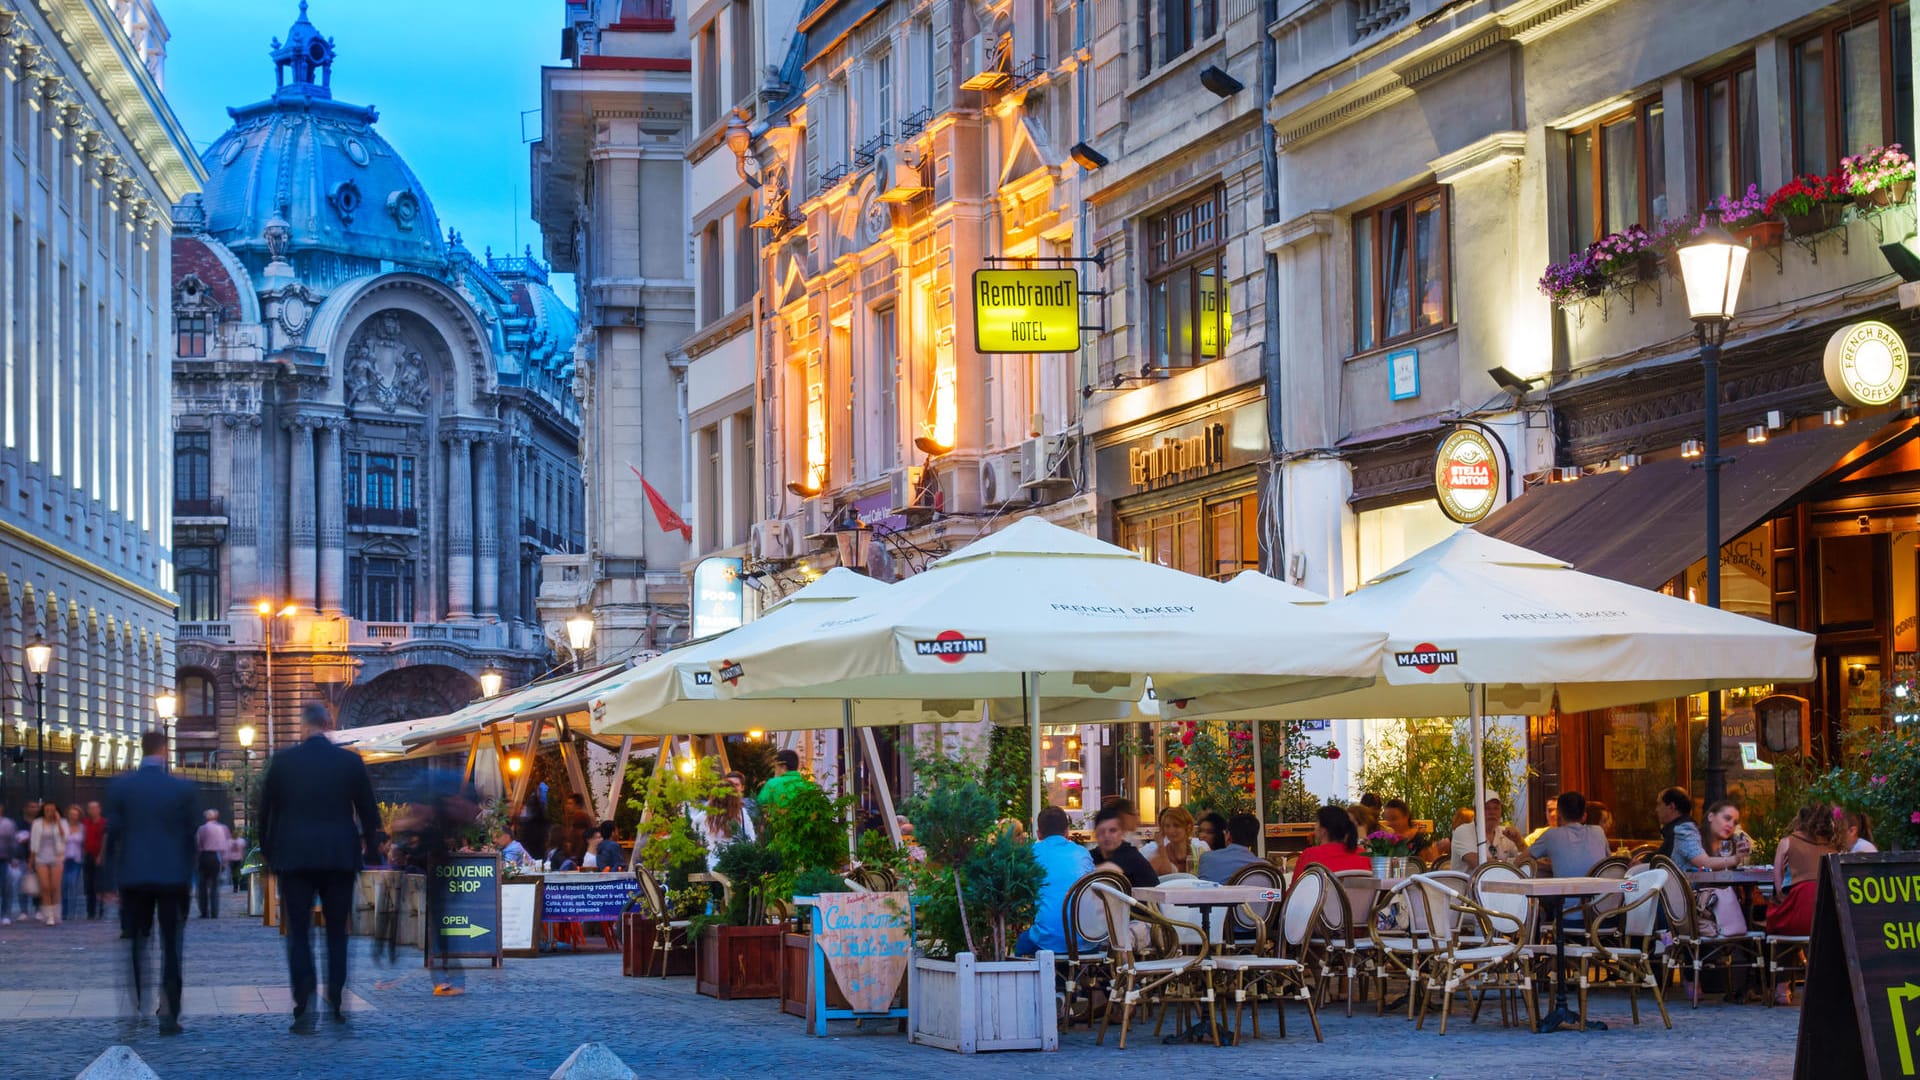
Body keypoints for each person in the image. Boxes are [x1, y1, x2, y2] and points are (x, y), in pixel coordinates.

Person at [259, 703, 381, 1033]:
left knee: (299, 934)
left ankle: (304, 1006)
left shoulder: (283, 762)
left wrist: (270, 855)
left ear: (303, 726)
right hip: (339, 857)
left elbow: (265, 813)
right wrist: (371, 853)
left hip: (294, 858)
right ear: (328, 725)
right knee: (337, 933)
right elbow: (369, 813)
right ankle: (337, 1001)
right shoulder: (350, 761)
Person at [105, 730, 198, 1035]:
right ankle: (169, 1014)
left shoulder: (122, 787)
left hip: (134, 876)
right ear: (165, 749)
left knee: (137, 942)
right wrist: (189, 877)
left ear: (141, 749)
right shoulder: (181, 789)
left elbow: (113, 836)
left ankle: (136, 1007)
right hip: (172, 878)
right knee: (172, 946)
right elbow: (189, 837)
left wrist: (108, 879)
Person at [1768, 804, 1842, 1002]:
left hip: (1798, 916)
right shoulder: (1834, 846)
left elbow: (1778, 887)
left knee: (1780, 923)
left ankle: (1782, 988)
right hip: (1827, 919)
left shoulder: (1787, 842)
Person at [1016, 805, 1094, 957]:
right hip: (1086, 941)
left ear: (1039, 834)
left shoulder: (1031, 854)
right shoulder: (1082, 853)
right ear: (1067, 832)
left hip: (1045, 942)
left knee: (1021, 944)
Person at [1527, 791, 1608, 878]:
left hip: (1565, 890)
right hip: (1598, 890)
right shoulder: (1598, 831)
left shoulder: (1550, 835)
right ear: (1584, 817)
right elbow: (1608, 863)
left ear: (1559, 815)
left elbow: (1522, 860)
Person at [1293, 805, 1372, 884]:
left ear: (1323, 830)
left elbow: (1293, 891)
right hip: (1357, 896)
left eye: (1317, 822)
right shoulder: (1364, 856)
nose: (1314, 826)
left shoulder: (1310, 855)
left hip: (1323, 896)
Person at [688, 779, 756, 870]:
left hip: (710, 865)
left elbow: (693, 837)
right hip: (736, 864)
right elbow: (751, 839)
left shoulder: (704, 815)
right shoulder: (741, 814)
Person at [1452, 796, 1531, 871]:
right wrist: (1511, 865)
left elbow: (1528, 862)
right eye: (1486, 808)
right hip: (1467, 884)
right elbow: (1476, 862)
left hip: (1500, 883)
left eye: (1496, 808)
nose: (1492, 812)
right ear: (1476, 811)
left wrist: (1519, 841)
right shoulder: (1463, 831)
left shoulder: (1506, 833)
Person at [1088, 805, 1158, 888]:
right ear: (1095, 834)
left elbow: (1104, 873)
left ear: (1122, 832)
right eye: (1101, 831)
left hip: (1144, 900)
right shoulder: (1093, 855)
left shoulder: (1129, 855)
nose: (1107, 835)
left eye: (1113, 830)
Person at [1677, 800, 1752, 871]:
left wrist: (1744, 853)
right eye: (1727, 818)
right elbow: (1704, 863)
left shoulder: (1733, 841)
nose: (1731, 825)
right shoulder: (1687, 832)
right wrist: (1736, 859)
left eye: (1735, 823)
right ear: (1711, 817)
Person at [30, 801, 69, 924]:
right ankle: (49, 915)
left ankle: (56, 913)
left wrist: (58, 821)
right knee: (45, 887)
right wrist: (31, 859)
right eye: (47, 810)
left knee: (54, 887)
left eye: (52, 810)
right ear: (43, 811)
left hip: (57, 857)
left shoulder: (62, 822)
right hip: (41, 857)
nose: (49, 812)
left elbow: (65, 837)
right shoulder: (37, 823)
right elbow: (33, 842)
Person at [1140, 806, 1209, 876]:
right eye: (1167, 826)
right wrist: (1161, 848)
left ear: (1188, 827)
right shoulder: (1156, 854)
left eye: (1176, 826)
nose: (1171, 831)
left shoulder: (1201, 852)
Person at [1197, 813, 1263, 884]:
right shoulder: (1265, 868)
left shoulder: (1207, 858)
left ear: (1228, 835)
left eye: (1210, 832)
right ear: (1254, 840)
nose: (1203, 835)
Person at [192, 810, 231, 919]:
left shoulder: (201, 829)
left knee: (202, 886)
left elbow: (198, 846)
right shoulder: (223, 828)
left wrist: (196, 861)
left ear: (206, 817)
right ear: (217, 817)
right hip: (216, 858)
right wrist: (225, 862)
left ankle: (204, 912)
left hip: (205, 857)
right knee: (215, 886)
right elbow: (226, 846)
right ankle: (215, 912)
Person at [1653, 786, 1695, 861]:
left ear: (1671, 807)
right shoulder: (1676, 829)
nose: (1656, 809)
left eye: (1659, 804)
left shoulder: (1680, 832)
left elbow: (1662, 860)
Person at [83, 801, 108, 919]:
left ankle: (101, 909)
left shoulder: (104, 823)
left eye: (95, 808)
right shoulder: (85, 823)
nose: (93, 810)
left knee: (99, 884)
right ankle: (90, 911)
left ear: (99, 809)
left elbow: (105, 839)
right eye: (90, 808)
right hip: (88, 855)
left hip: (99, 856)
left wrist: (101, 856)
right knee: (89, 885)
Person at [62, 804, 85, 921]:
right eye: (71, 814)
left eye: (76, 815)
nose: (73, 816)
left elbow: (84, 843)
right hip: (63, 859)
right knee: (63, 886)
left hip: (76, 859)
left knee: (72, 885)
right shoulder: (62, 824)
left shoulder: (82, 827)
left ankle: (73, 911)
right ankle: (63, 912)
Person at [563, 793, 595, 865]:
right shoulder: (577, 817)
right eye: (567, 803)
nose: (567, 806)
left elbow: (580, 839)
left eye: (570, 803)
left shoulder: (580, 818)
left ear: (578, 805)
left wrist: (574, 856)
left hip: (578, 858)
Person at [0, 801, 15, 926]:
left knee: (5, 887)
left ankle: (5, 914)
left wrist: (13, 859)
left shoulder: (8, 824)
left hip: (4, 859)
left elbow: (12, 842)